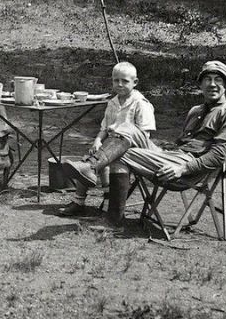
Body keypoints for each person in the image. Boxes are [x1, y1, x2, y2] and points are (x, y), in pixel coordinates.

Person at [63, 60, 226, 229]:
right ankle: (91, 168)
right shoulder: (196, 110)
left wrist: (184, 168)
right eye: (207, 80)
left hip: (187, 168)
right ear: (201, 84)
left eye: (218, 80)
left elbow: (219, 155)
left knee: (120, 153)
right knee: (127, 127)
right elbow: (183, 142)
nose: (212, 84)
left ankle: (112, 218)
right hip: (172, 155)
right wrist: (164, 150)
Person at [59, 62, 155, 221]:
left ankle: (108, 196)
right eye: (116, 80)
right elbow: (105, 127)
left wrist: (121, 141)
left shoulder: (140, 103)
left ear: (135, 82)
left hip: (135, 146)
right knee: (91, 157)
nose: (120, 84)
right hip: (111, 145)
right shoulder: (113, 102)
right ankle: (79, 201)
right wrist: (97, 140)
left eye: (125, 81)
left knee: (102, 159)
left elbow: (144, 134)